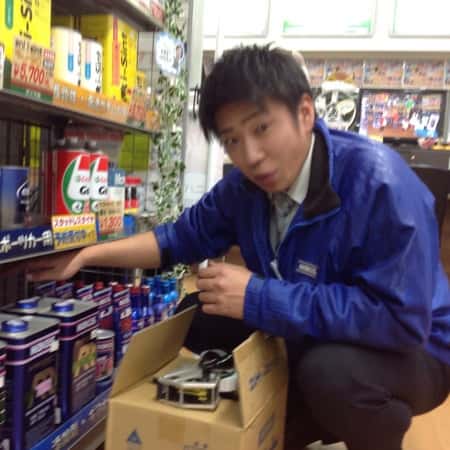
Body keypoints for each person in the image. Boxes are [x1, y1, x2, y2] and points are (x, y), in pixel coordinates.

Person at [24, 45, 449, 450]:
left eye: (261, 128)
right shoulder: (244, 188)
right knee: (199, 316)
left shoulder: (382, 186)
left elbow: (400, 321)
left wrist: (259, 297)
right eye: (231, 140)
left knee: (331, 374)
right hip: (317, 329)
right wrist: (86, 255)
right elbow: (177, 239)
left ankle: (366, 426)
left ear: (305, 113)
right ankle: (292, 412)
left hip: (416, 351)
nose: (251, 155)